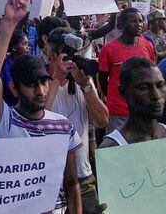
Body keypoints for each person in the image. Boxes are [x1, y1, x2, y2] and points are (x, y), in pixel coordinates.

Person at [0, 0, 83, 213]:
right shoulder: (4, 121)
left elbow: (71, 183)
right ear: (14, 87)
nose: (40, 91)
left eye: (43, 82)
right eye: (31, 85)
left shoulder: (63, 127)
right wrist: (9, 23)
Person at [46, 27, 109, 214]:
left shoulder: (83, 81)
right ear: (51, 54)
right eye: (66, 55)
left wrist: (86, 86)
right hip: (52, 179)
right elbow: (38, 122)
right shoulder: (41, 83)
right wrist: (56, 78)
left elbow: (102, 121)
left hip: (83, 178)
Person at [99, 8, 156, 133]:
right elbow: (102, 78)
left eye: (141, 21)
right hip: (118, 112)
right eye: (133, 21)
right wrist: (112, 97)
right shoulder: (108, 49)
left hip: (143, 108)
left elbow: (152, 75)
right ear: (122, 24)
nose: (139, 24)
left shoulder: (148, 45)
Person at [100, 57, 166, 148]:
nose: (156, 96)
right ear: (123, 91)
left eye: (160, 85)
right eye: (143, 88)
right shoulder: (112, 147)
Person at [0, 30, 30, 106]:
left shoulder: (29, 63)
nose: (27, 47)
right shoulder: (4, 66)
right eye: (24, 44)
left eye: (27, 44)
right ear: (14, 47)